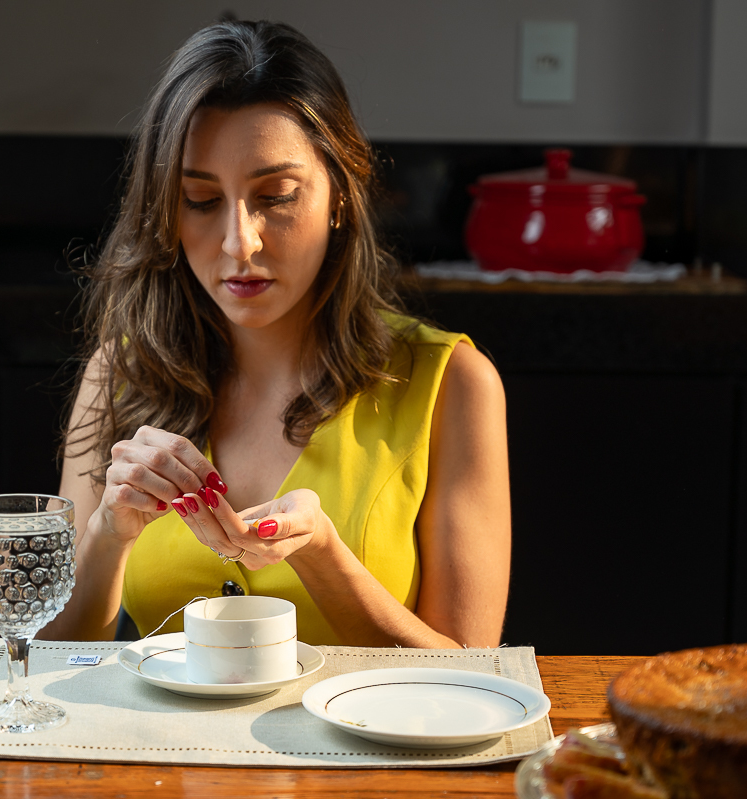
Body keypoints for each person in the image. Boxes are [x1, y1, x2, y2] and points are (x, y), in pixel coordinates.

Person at [40, 19, 509, 648]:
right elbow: (48, 658)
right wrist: (108, 531)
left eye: (278, 195)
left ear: (340, 193)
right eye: (200, 201)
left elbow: (469, 678)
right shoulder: (118, 373)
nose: (240, 242)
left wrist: (322, 555)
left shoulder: (453, 386)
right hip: (164, 751)